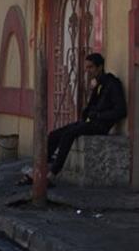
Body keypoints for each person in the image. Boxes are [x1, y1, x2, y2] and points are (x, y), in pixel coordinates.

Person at [19, 53, 127, 185]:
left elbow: (121, 111)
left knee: (68, 134)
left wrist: (98, 115)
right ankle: (39, 169)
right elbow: (92, 106)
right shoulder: (98, 84)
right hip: (90, 122)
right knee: (54, 135)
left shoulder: (112, 84)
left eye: (91, 67)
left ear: (100, 67)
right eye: (86, 67)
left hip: (101, 125)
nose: (88, 71)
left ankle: (52, 174)